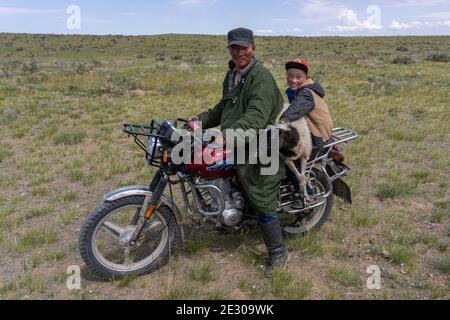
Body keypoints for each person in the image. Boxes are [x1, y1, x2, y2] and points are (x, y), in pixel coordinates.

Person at [189, 28, 289, 276]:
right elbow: (224, 108)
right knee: (215, 168)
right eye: (234, 47)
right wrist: (199, 120)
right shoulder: (233, 74)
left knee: (260, 188)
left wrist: (227, 137)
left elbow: (256, 117)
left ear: (253, 48)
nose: (239, 52)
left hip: (263, 140)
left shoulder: (261, 77)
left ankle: (278, 251)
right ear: (229, 49)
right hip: (238, 137)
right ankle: (229, 212)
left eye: (244, 47)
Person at [280, 58, 334, 209]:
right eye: (290, 75)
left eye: (298, 76)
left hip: (318, 137)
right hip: (311, 131)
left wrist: (278, 122)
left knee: (288, 159)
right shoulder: (300, 89)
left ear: (307, 76)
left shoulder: (306, 92)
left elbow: (292, 112)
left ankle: (306, 193)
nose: (293, 79)